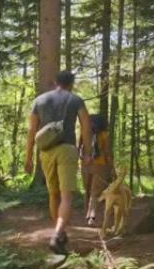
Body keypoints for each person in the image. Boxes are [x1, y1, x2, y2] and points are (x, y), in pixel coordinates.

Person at [25, 71, 92, 254]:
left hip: (45, 152)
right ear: (71, 83)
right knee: (66, 196)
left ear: (55, 82)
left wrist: (28, 157)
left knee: (53, 194)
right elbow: (86, 126)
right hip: (66, 150)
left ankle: (59, 234)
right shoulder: (76, 100)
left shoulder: (39, 100)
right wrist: (87, 152)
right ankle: (57, 235)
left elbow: (32, 131)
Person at [80, 114, 114, 223]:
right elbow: (108, 153)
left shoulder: (84, 134)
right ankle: (92, 216)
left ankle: (87, 214)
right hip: (101, 166)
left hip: (85, 165)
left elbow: (79, 149)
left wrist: (84, 158)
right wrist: (111, 167)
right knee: (96, 192)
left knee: (88, 191)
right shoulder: (105, 135)